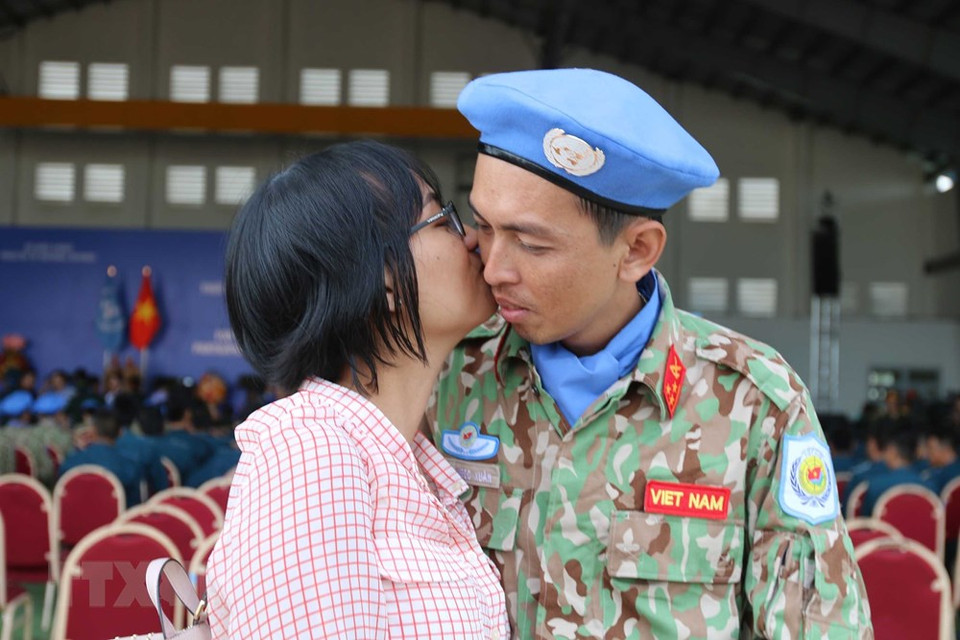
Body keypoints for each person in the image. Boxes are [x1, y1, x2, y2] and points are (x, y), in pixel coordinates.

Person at [425, 68, 872, 638]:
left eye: (532, 244)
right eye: (485, 228)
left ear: (637, 250)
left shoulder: (753, 405)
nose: (494, 268)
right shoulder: (446, 375)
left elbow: (822, 624)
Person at [206, 140, 508, 639]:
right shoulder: (311, 453)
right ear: (385, 280)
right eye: (443, 218)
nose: (473, 239)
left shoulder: (401, 461)